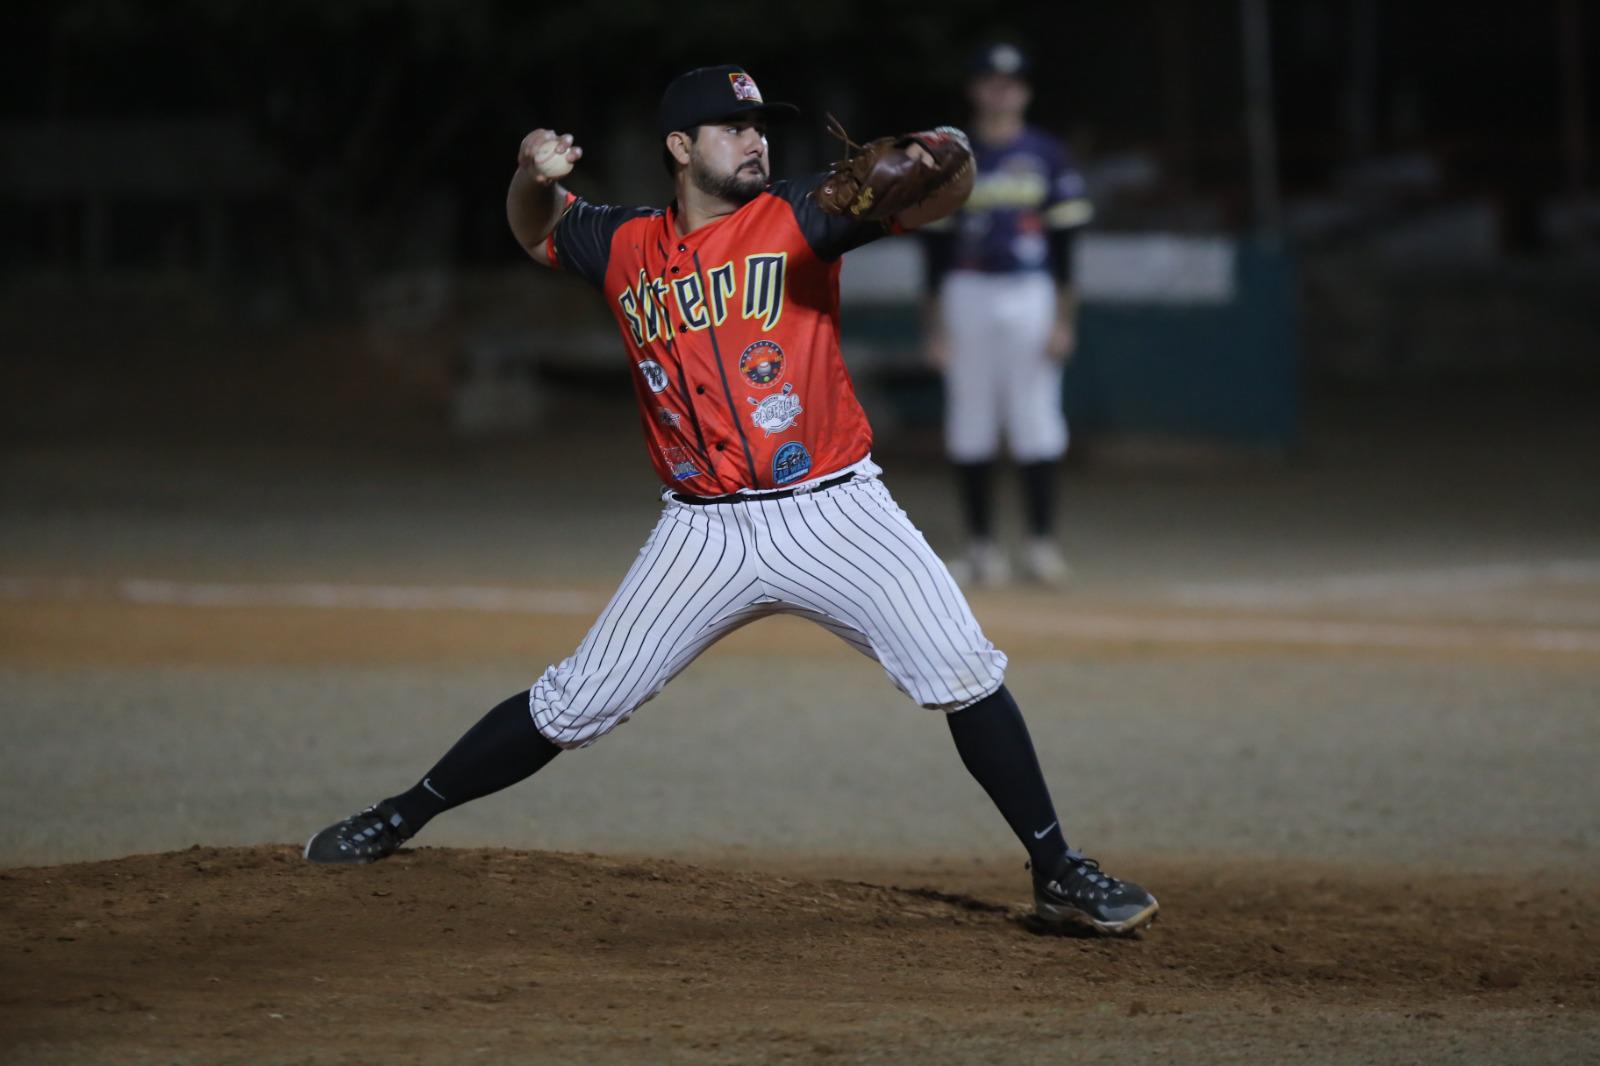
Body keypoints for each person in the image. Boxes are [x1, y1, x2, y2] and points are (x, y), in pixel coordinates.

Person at [303, 64, 1156, 937]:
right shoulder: (622, 240)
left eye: (760, 126)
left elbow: (933, 197)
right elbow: (536, 232)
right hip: (701, 530)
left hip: (836, 510)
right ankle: (398, 816)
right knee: (574, 701)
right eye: (731, 126)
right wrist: (528, 173)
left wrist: (955, 158)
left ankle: (1056, 870)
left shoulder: (804, 210)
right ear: (680, 147)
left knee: (966, 669)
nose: (755, 139)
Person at [921, 43, 1093, 587]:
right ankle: (980, 548)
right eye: (991, 80)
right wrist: (935, 325)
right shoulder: (952, 157)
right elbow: (934, 251)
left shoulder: (1047, 153)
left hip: (1031, 292)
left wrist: (1065, 319)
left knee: (1036, 417)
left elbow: (1066, 245)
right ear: (975, 89)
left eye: (1011, 81)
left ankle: (1040, 545)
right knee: (970, 418)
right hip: (966, 291)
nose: (1001, 90)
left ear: (1026, 90)